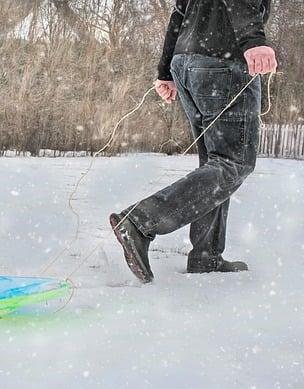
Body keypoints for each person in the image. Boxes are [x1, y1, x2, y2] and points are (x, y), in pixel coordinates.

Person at [110, 0, 277, 283]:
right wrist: (254, 40)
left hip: (188, 63)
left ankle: (206, 256)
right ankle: (140, 222)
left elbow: (179, 12)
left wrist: (166, 70)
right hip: (223, 64)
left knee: (215, 164)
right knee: (233, 163)